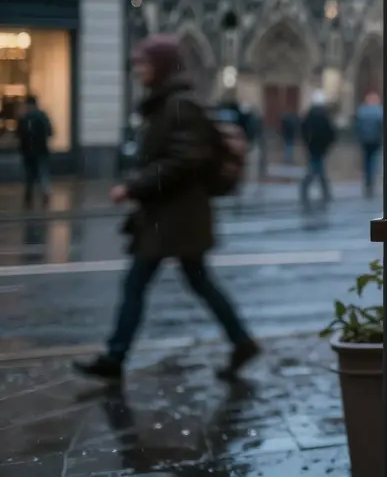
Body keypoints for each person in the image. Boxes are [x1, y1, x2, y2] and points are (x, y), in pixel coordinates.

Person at [75, 35, 259, 382]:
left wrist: (134, 185)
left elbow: (182, 159)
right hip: (172, 215)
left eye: (144, 63)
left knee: (140, 284)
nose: (139, 70)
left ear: (160, 67)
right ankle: (241, 341)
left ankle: (116, 357)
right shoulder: (166, 104)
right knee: (195, 282)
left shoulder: (179, 105)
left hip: (176, 216)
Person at [300, 90, 336, 208]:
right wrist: (328, 145)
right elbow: (331, 133)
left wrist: (307, 142)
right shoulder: (324, 116)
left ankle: (307, 191)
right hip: (320, 147)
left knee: (315, 169)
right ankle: (324, 192)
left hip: (314, 147)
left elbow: (303, 130)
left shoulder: (310, 115)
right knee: (317, 170)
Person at [16, 95, 53, 209]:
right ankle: (45, 193)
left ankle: (29, 196)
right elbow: (50, 132)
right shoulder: (43, 116)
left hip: (28, 152)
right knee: (42, 173)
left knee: (29, 175)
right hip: (41, 150)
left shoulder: (24, 118)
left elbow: (19, 134)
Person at [353, 91, 384, 198]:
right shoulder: (379, 111)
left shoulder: (362, 111)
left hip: (365, 140)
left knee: (366, 161)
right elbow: (382, 127)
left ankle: (368, 180)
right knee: (373, 161)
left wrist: (359, 137)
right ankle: (371, 180)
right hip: (375, 140)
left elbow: (357, 126)